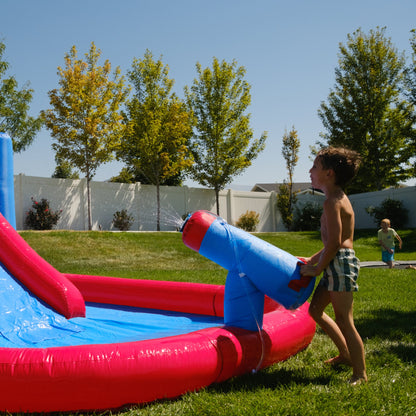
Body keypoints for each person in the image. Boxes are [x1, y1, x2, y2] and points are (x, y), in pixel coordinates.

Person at [300, 146, 367, 385]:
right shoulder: (334, 199)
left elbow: (337, 243)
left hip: (340, 264)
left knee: (344, 319)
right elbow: (331, 243)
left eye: (315, 167)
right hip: (334, 261)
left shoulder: (333, 203)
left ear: (328, 173)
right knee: (315, 311)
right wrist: (313, 259)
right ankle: (346, 355)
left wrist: (317, 268)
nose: (310, 170)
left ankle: (360, 373)